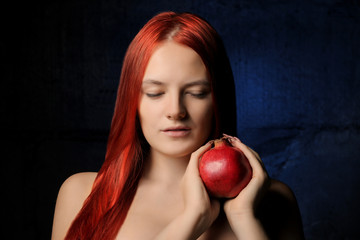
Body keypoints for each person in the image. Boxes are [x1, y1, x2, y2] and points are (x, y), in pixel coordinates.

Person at [52, 11, 305, 240]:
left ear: (219, 98)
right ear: (133, 101)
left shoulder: (275, 202)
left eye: (196, 92)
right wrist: (192, 219)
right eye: (154, 93)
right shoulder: (82, 194)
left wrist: (243, 219)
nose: (175, 111)